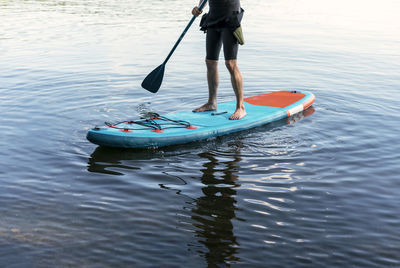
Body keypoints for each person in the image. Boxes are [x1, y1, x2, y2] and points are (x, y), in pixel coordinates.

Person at [192, 0, 246, 120]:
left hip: (230, 17)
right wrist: (199, 8)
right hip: (213, 18)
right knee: (210, 62)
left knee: (230, 63)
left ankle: (240, 107)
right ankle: (212, 103)